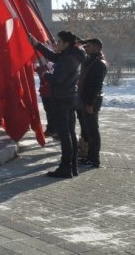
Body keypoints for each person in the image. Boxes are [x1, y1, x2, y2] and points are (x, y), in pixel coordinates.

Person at [32, 30, 86, 179]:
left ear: (67, 43)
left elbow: (57, 78)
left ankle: (65, 167)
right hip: (68, 97)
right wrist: (37, 44)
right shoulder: (71, 54)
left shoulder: (69, 58)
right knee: (70, 133)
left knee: (65, 135)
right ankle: (72, 166)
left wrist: (45, 74)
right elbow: (54, 56)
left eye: (60, 42)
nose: (57, 44)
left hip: (63, 99)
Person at [76, 38, 108, 168]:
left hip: (91, 102)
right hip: (84, 99)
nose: (85, 48)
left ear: (96, 47)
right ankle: (88, 156)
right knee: (87, 129)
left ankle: (94, 159)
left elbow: (96, 86)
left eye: (88, 46)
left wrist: (90, 104)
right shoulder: (90, 60)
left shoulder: (99, 63)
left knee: (93, 130)